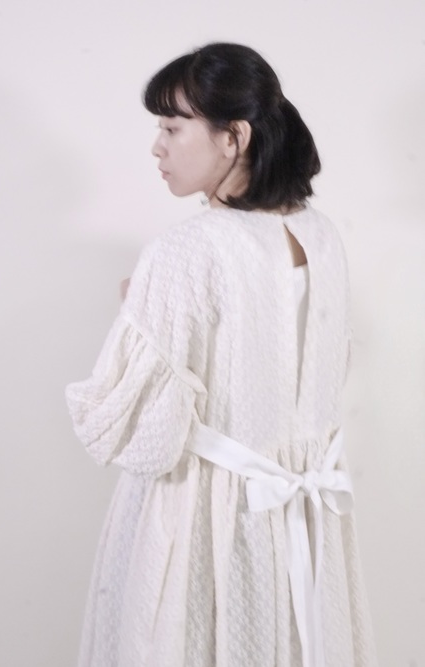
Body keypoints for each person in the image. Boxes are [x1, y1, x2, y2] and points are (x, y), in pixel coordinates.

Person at [66, 43, 377, 667]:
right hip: (305, 512)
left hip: (206, 514)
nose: (157, 147)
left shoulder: (188, 249)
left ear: (233, 136)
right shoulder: (320, 235)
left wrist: (138, 309)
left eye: (172, 127)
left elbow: (135, 432)